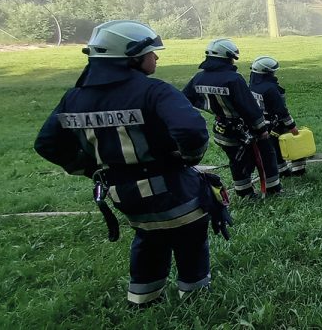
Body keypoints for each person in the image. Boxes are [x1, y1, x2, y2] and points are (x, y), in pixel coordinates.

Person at [34, 20, 225, 306]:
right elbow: (190, 130)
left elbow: (47, 144)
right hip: (172, 189)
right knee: (190, 237)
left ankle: (142, 298)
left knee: (149, 237)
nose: (156, 57)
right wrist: (188, 158)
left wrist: (89, 169)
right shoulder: (154, 91)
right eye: (151, 52)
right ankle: (195, 297)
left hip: (124, 195)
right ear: (132, 57)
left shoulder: (74, 98)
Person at [183, 39, 282, 198]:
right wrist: (261, 130)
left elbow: (185, 99)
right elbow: (249, 107)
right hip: (245, 130)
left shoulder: (198, 78)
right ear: (228, 58)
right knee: (266, 155)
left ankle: (245, 194)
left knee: (237, 161)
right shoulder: (233, 79)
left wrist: (212, 109)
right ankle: (273, 190)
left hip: (222, 129)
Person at [249, 56, 305, 176]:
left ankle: (282, 171)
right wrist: (292, 126)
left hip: (261, 125)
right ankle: (299, 169)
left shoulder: (252, 85)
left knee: (274, 149)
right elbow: (281, 110)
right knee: (293, 142)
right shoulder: (271, 88)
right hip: (276, 123)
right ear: (267, 72)